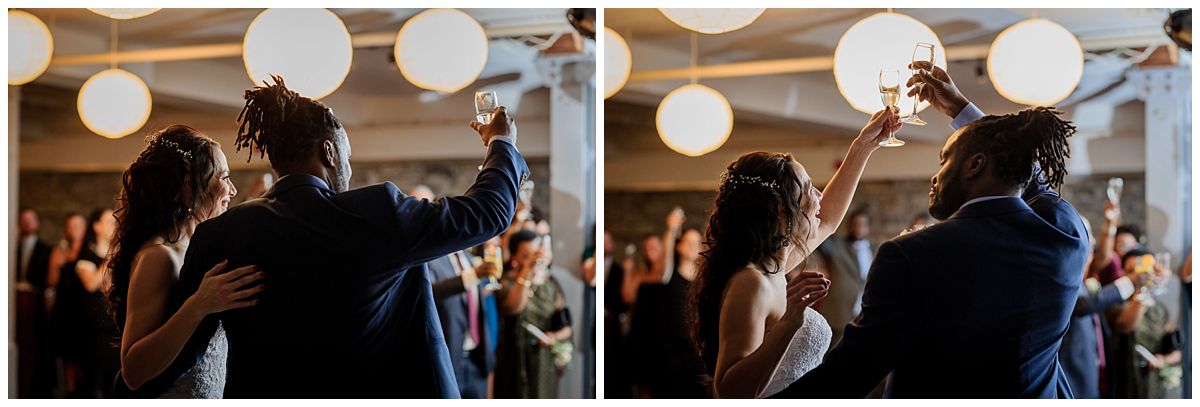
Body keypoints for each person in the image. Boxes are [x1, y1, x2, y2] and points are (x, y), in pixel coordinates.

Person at [162, 75, 528, 398]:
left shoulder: (220, 234)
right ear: (329, 152)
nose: (349, 169)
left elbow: (179, 357)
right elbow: (487, 213)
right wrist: (502, 142)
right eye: (347, 156)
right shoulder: (376, 214)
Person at [771, 61, 1088, 398]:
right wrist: (965, 113)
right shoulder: (1065, 237)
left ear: (975, 164)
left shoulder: (911, 255)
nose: (935, 177)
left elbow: (851, 374)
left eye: (944, 159)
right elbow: (1030, 178)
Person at [689, 106, 901, 398]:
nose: (819, 196)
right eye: (809, 188)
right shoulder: (751, 282)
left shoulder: (776, 267)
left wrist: (863, 146)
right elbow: (731, 392)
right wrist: (790, 322)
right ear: (781, 210)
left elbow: (828, 219)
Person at [107, 125, 263, 398]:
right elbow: (133, 371)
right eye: (224, 178)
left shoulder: (200, 247)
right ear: (190, 185)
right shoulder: (159, 255)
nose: (233, 190)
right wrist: (199, 305)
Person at [1058, 216, 1148, 398]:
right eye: (1087, 234)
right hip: (1074, 378)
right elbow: (1082, 306)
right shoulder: (1062, 277)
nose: (1092, 240)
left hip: (1094, 376)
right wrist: (1129, 281)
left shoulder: (1083, 280)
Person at [495, 230, 572, 398]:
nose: (533, 260)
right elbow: (514, 307)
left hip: (543, 362)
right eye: (526, 256)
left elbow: (567, 328)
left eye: (535, 254)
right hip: (514, 362)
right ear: (514, 258)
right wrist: (528, 270)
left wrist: (554, 336)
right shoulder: (507, 283)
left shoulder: (550, 285)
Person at [1105, 250, 1182, 398]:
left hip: (1152, 389)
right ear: (1123, 274)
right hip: (1123, 388)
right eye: (1131, 271)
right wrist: (1144, 291)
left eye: (1145, 271)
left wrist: (1163, 360)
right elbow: (1126, 325)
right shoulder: (1115, 304)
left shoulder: (1160, 310)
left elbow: (1176, 351)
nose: (1139, 276)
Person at [429, 241, 500, 398]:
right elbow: (431, 292)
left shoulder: (469, 258)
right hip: (450, 359)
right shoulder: (431, 260)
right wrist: (473, 275)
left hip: (476, 360)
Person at [813, 209, 875, 347]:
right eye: (855, 223)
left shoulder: (873, 249)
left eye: (863, 224)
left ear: (868, 227)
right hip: (837, 312)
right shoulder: (836, 245)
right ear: (850, 225)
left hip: (862, 313)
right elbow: (819, 238)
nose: (859, 227)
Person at [15, 208, 55, 397]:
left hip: (35, 302)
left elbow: (49, 280)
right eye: (24, 220)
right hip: (15, 302)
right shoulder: (12, 247)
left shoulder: (46, 249)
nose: (27, 223)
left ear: (37, 223)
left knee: (36, 346)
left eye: (31, 220)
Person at [49, 212, 86, 396]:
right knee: (66, 354)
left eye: (78, 225)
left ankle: (83, 392)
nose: (75, 230)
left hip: (82, 310)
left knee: (82, 353)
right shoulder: (60, 251)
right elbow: (51, 281)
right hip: (64, 309)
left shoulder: (89, 251)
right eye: (71, 226)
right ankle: (69, 392)